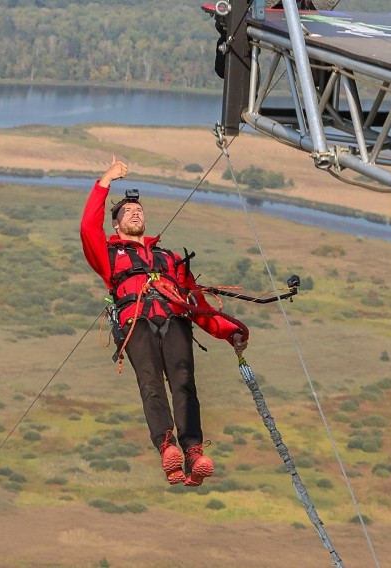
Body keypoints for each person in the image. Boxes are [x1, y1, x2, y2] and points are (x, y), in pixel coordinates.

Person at [80, 156, 249, 486]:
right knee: (151, 384)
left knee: (184, 383)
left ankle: (193, 452)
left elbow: (197, 305)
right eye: (128, 212)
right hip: (135, 323)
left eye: (139, 210)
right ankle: (167, 448)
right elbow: (88, 227)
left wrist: (230, 333)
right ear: (116, 225)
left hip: (174, 320)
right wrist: (105, 181)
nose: (136, 212)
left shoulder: (170, 258)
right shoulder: (108, 254)